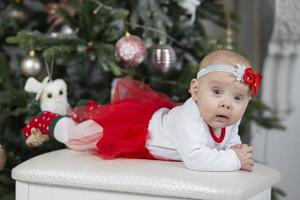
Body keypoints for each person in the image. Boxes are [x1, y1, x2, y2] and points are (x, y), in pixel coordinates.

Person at [23, 49, 262, 172]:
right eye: (217, 92)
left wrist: (234, 147)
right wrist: (233, 160)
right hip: (139, 130)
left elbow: (230, 138)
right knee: (81, 137)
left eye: (238, 97)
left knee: (93, 124)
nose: (226, 104)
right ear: (195, 90)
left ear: (247, 102)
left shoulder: (226, 117)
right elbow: (195, 158)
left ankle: (78, 113)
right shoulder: (190, 119)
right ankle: (50, 121)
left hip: (159, 124)